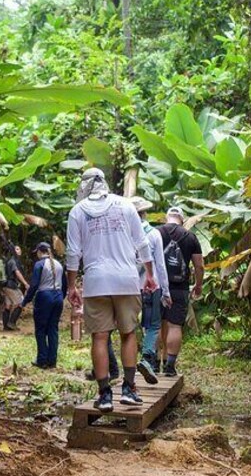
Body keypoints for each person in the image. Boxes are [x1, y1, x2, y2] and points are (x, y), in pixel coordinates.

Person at [66, 168, 159, 413]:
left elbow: (73, 253)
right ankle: (129, 388)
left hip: (96, 282)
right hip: (126, 279)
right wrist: (150, 274)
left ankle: (105, 394)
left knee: (99, 337)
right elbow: (142, 243)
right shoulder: (126, 206)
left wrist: (71, 285)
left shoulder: (77, 212)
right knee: (128, 333)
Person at [158, 207, 204, 377]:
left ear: (166, 218)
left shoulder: (156, 233)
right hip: (180, 288)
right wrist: (198, 285)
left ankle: (154, 364)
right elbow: (199, 265)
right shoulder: (190, 237)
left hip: (158, 286)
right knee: (175, 325)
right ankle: (169, 366)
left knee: (156, 324)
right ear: (182, 220)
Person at [129, 197, 172, 373]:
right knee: (153, 324)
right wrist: (166, 291)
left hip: (129, 285)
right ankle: (147, 356)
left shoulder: (125, 234)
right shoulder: (154, 234)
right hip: (151, 285)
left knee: (130, 325)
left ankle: (129, 364)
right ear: (145, 213)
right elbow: (160, 265)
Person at [20, 242, 67, 369]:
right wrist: (60, 298)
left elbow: (34, 285)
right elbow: (65, 285)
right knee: (53, 329)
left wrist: (25, 301)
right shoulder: (58, 264)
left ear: (40, 252)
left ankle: (42, 359)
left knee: (40, 330)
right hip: (57, 297)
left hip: (44, 296)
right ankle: (52, 360)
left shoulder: (39, 264)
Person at [2, 245, 29, 331]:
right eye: (16, 249)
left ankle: (6, 326)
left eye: (19, 249)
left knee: (8, 305)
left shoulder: (10, 261)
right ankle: (12, 323)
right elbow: (17, 273)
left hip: (5, 286)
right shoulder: (13, 261)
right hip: (11, 286)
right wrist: (25, 283)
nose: (18, 250)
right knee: (21, 302)